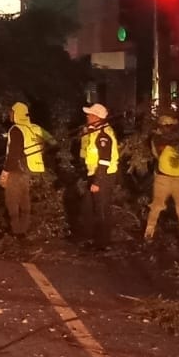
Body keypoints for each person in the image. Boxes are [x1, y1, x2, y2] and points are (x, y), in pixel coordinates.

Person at [144, 114, 179, 250]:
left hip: (170, 178)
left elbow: (157, 153)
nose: (168, 129)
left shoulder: (162, 139)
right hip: (172, 178)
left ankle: (150, 234)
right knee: (175, 208)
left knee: (162, 207)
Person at [2, 101, 49, 237]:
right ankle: (23, 229)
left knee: (12, 200)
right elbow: (51, 142)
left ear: (17, 114)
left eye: (11, 112)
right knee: (24, 199)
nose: (9, 114)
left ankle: (16, 231)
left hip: (17, 169)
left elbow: (13, 154)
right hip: (31, 169)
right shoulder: (35, 128)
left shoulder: (16, 129)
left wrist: (5, 172)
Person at [79, 103, 120, 249]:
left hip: (103, 177)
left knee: (102, 209)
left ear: (97, 117)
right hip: (95, 175)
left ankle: (103, 243)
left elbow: (104, 161)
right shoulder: (96, 132)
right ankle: (90, 238)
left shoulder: (103, 136)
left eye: (90, 114)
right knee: (88, 207)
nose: (87, 116)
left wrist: (98, 181)